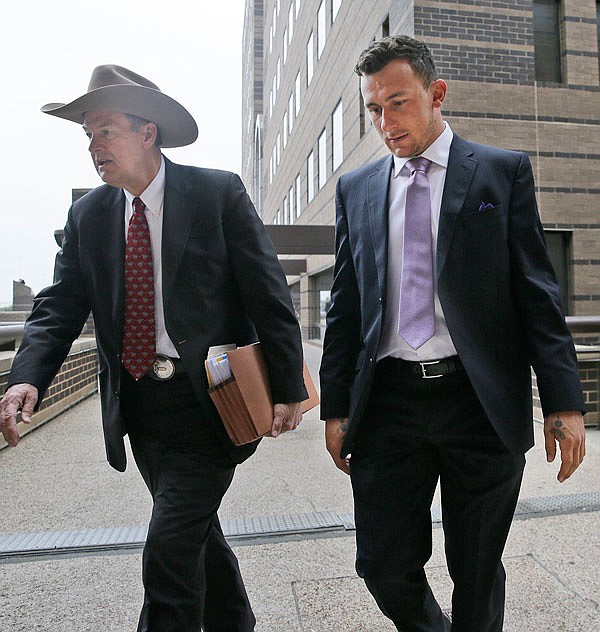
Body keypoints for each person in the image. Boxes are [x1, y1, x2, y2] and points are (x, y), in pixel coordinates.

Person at [0, 65, 307, 632]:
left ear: (148, 133)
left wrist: (288, 388)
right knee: (195, 537)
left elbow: (268, 296)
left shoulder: (217, 193)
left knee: (167, 552)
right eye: (88, 135)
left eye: (105, 131)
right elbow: (60, 306)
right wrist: (27, 377)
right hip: (141, 411)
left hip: (211, 403)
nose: (94, 146)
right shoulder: (89, 216)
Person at [319, 36, 586, 632]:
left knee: (478, 568)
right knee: (382, 565)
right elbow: (346, 304)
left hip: (479, 401)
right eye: (374, 110)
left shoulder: (500, 172)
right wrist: (335, 408)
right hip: (388, 403)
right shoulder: (356, 189)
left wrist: (564, 401)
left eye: (398, 103)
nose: (386, 123)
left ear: (436, 94)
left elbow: (536, 295)